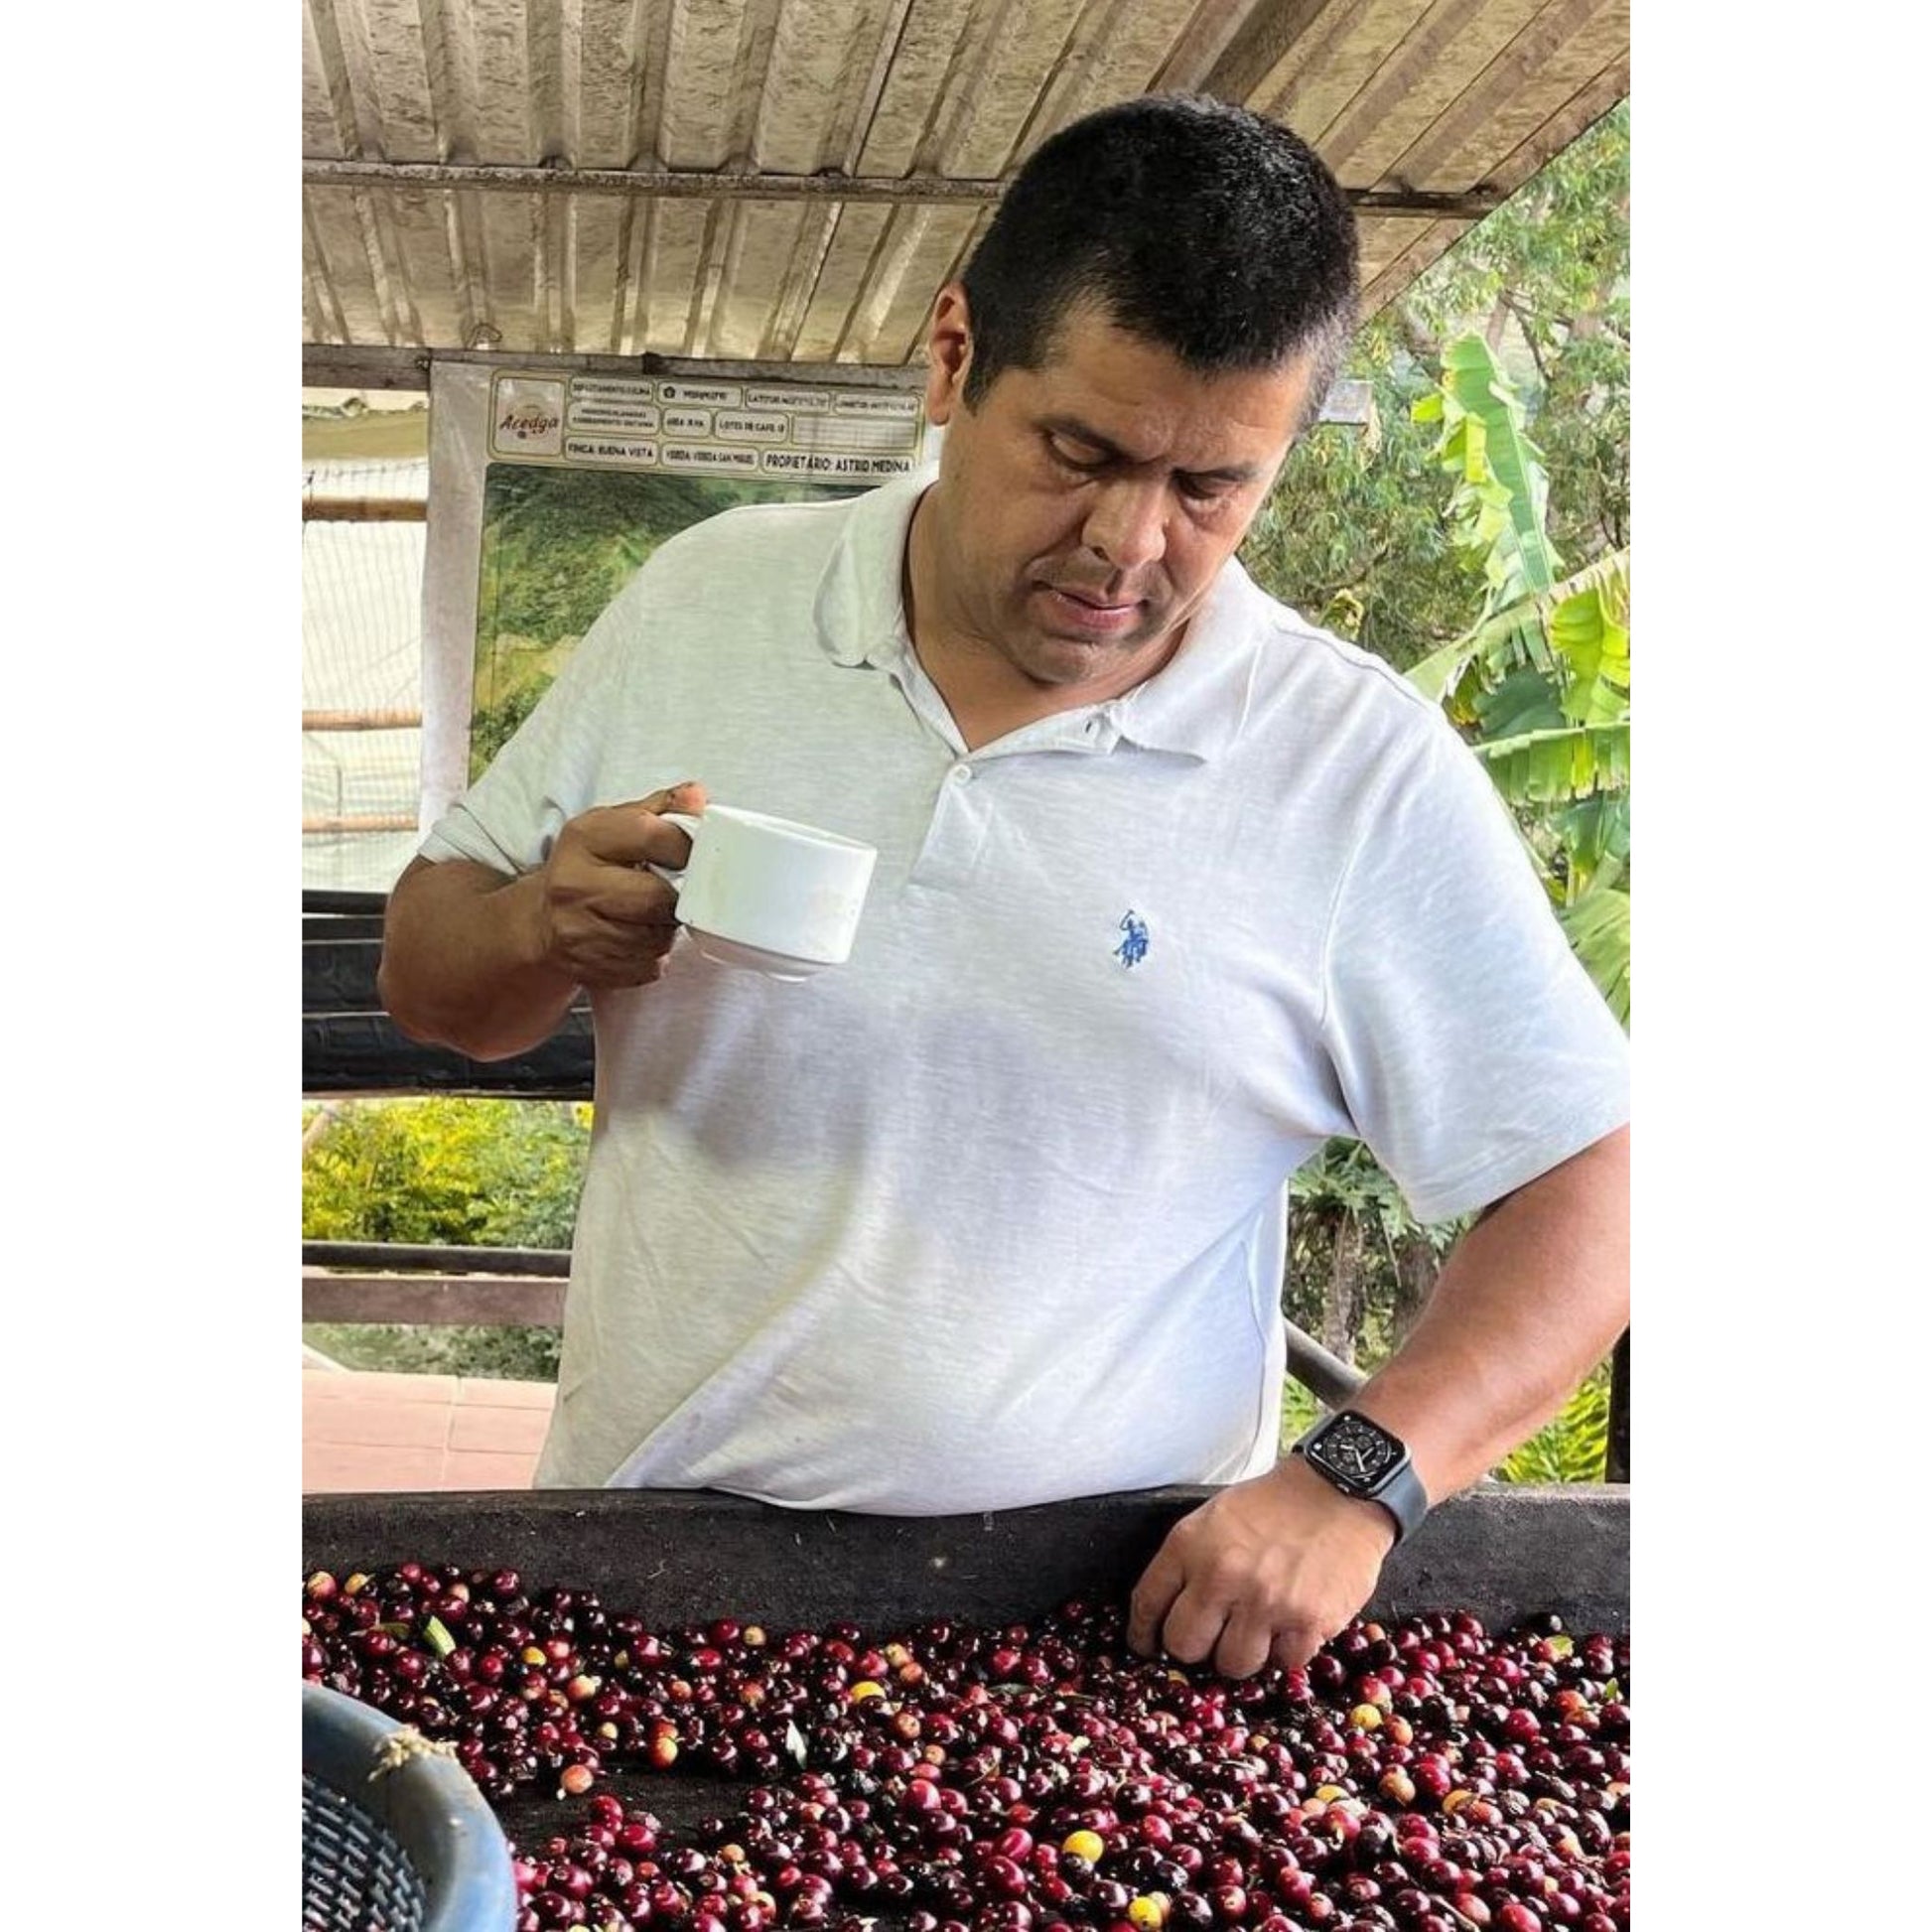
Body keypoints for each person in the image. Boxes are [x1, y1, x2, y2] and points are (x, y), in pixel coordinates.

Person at [378, 93, 1630, 1680]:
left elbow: (1592, 1191)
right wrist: (531, 926)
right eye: (1081, 452)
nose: (1127, 543)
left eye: (1211, 488)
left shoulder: (1350, 768)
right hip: (645, 1581)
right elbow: (434, 979)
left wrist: (1360, 1477)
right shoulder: (707, 599)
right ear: (954, 353)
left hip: (1099, 1636)